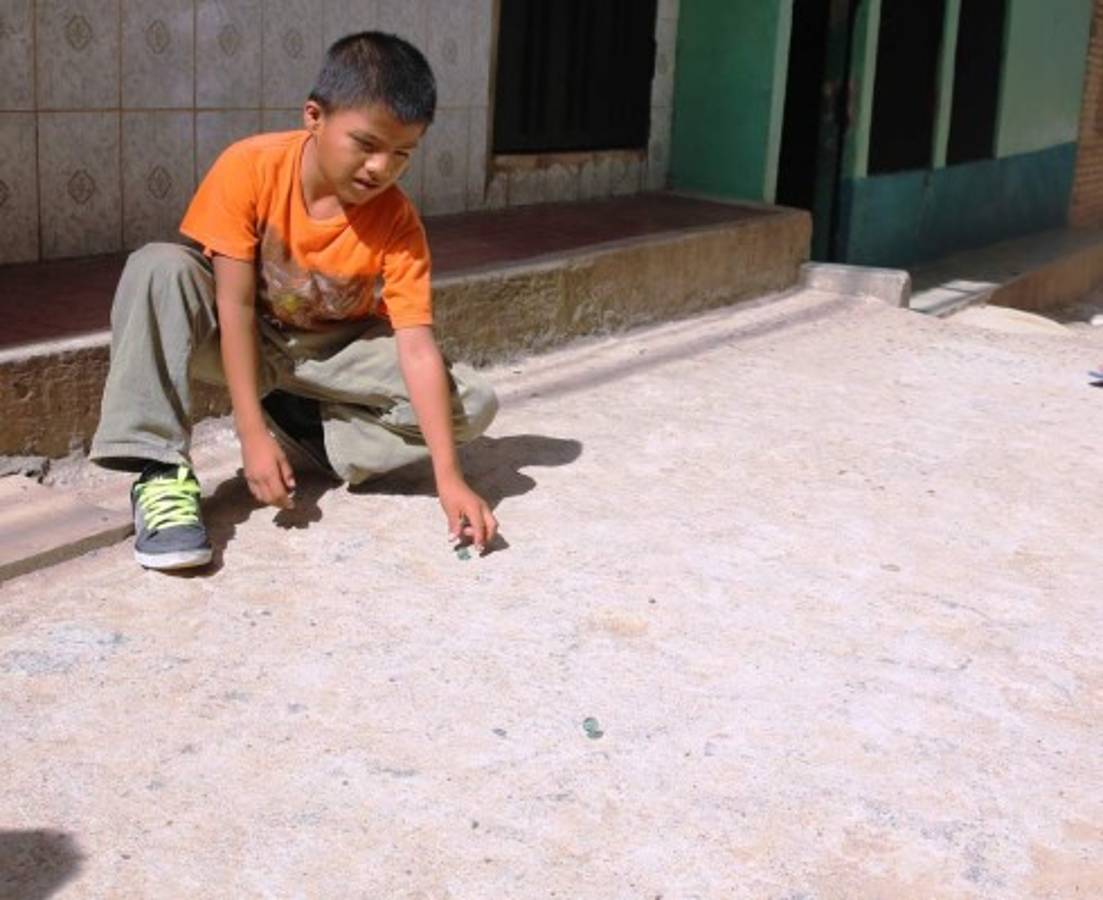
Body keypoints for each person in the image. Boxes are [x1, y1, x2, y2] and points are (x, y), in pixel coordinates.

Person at [90, 31, 499, 571]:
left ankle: (310, 434)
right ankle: (160, 469)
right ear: (314, 116)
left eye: (402, 153)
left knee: (472, 401)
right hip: (248, 340)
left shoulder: (398, 222)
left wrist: (450, 477)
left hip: (331, 355)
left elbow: (417, 348)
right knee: (158, 267)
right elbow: (233, 307)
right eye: (367, 143)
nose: (382, 168)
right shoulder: (250, 167)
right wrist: (249, 433)